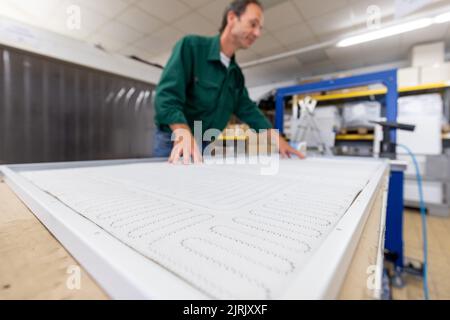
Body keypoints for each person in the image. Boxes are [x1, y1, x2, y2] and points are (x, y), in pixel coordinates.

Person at [153, 0, 305, 164]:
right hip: (175, 139)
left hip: (206, 143)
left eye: (260, 28)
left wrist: (278, 140)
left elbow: (248, 110)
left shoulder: (235, 75)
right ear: (232, 18)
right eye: (253, 24)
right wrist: (182, 132)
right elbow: (167, 97)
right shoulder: (191, 47)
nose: (257, 33)